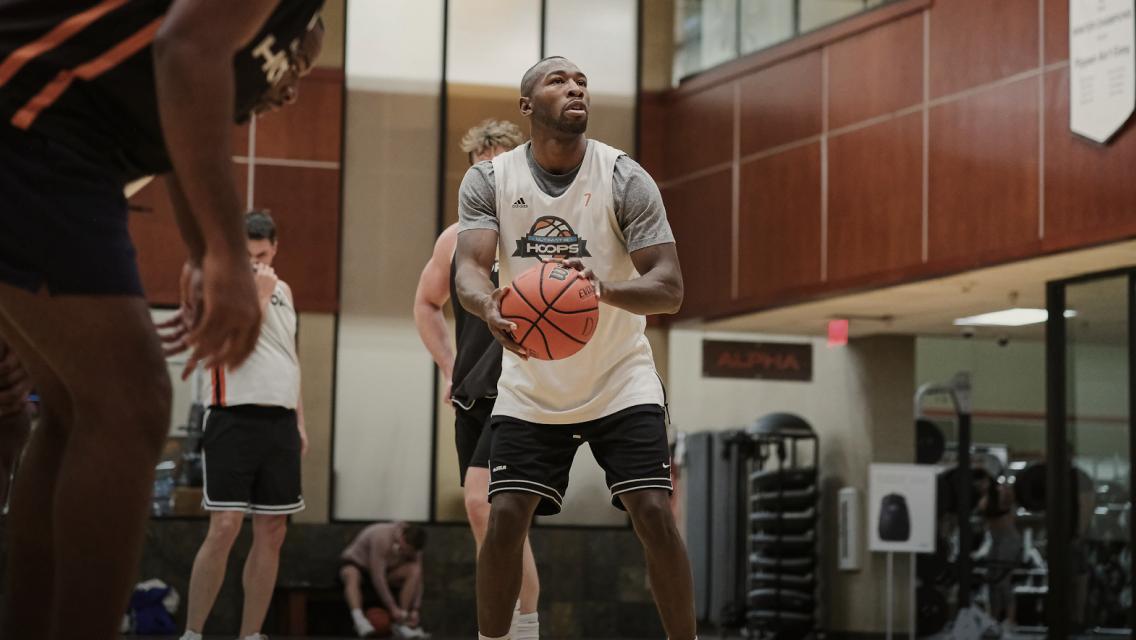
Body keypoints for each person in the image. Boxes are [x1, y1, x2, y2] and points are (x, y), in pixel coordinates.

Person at [0, 2, 324, 638]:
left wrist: (207, 251)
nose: (288, 82)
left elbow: (179, 121)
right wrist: (225, 253)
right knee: (132, 403)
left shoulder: (290, 27)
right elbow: (185, 52)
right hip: (30, 121)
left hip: (64, 146)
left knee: (70, 410)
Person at [454, 56, 696, 640]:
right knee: (504, 515)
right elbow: (467, 270)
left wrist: (599, 289)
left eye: (582, 81)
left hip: (619, 375)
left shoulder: (623, 176)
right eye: (558, 81)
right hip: (533, 383)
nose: (575, 87)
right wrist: (490, 306)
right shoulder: (489, 179)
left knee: (655, 513)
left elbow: (670, 288)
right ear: (527, 105)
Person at [413, 119, 540, 640]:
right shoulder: (457, 239)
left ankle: (517, 626)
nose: (487, 177)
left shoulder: (542, 233)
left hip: (525, 389)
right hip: (473, 392)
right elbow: (426, 304)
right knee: (493, 519)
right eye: (478, 170)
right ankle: (519, 623)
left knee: (482, 500)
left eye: (497, 166)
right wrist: (449, 366)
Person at [179, 211, 308, 640]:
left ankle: (251, 634)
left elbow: (291, 358)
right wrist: (256, 293)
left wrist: (300, 421)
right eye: (248, 255)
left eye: (263, 254)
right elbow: (217, 343)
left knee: (272, 531)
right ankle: (193, 632)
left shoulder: (285, 290)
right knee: (226, 526)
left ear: (275, 249)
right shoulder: (217, 281)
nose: (256, 262)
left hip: (281, 420)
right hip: (232, 414)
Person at [340, 522, 429, 639]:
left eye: (410, 552)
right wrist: (392, 608)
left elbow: (419, 578)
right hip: (357, 563)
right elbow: (377, 576)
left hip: (387, 571)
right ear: (402, 538)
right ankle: (359, 620)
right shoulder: (382, 536)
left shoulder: (415, 550)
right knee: (351, 573)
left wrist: (415, 609)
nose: (407, 554)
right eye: (406, 549)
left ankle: (402, 621)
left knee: (415, 570)